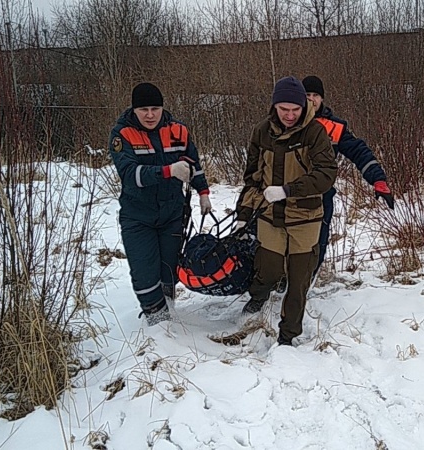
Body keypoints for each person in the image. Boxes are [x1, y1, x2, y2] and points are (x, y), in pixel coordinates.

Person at [234, 76, 337, 346]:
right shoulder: (261, 132)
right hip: (270, 217)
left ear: (304, 106)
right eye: (284, 109)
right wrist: (243, 215)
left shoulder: (315, 133)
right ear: (274, 106)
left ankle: (288, 335)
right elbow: (252, 178)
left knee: (298, 278)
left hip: (306, 218)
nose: (290, 115)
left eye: (295, 109)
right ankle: (258, 296)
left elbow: (326, 175)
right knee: (268, 269)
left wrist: (288, 190)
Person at [109, 82, 213, 325]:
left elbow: (192, 163)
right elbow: (130, 175)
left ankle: (169, 313)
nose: (149, 115)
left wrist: (203, 192)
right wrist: (168, 171)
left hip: (172, 212)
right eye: (143, 109)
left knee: (169, 269)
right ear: (134, 110)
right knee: (144, 271)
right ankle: (157, 324)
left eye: (155, 108)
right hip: (138, 215)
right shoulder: (122, 134)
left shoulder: (178, 130)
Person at [301, 75, 394, 276]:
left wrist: (378, 179)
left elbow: (359, 151)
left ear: (322, 98)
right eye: (306, 94)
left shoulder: (334, 127)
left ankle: (307, 280)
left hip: (321, 195)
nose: (311, 99)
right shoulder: (290, 121)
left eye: (315, 95)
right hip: (290, 193)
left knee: (318, 241)